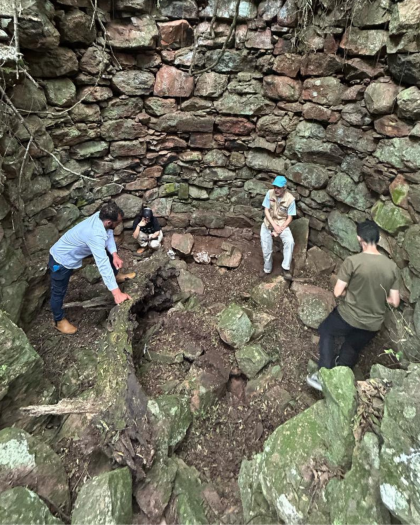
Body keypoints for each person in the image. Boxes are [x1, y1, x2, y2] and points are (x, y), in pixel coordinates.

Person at [307, 220, 400, 392]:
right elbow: (395, 301)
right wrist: (378, 297)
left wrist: (351, 294)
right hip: (372, 325)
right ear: (377, 240)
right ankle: (340, 381)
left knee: (326, 330)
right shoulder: (392, 267)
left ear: (359, 239)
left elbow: (337, 292)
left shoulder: (352, 261)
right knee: (352, 346)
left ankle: (323, 374)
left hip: (348, 317)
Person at [48, 201, 136, 335]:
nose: (119, 224)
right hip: (61, 261)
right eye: (118, 222)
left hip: (74, 253)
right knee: (58, 291)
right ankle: (58, 320)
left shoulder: (102, 217)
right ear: (109, 222)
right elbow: (102, 264)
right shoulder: (94, 234)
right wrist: (117, 294)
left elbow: (109, 234)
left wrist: (114, 254)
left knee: (108, 252)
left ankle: (115, 276)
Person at [260, 175, 296, 280]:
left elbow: (290, 217)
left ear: (284, 188)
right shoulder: (269, 193)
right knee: (266, 248)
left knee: (290, 242)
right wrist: (274, 226)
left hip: (282, 224)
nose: (276, 189)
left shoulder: (290, 199)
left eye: (279, 187)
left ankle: (286, 268)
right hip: (268, 223)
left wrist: (280, 229)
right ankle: (267, 269)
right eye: (275, 187)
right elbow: (266, 210)